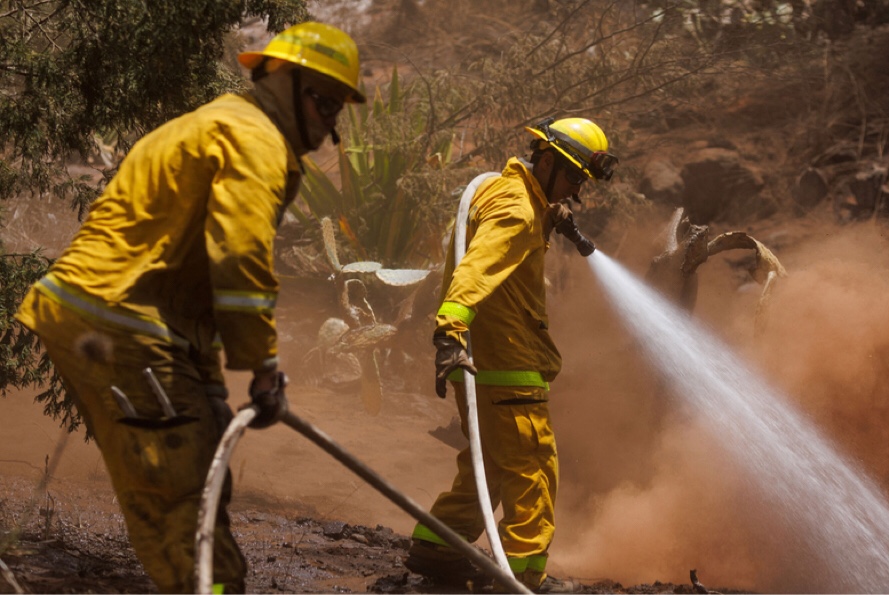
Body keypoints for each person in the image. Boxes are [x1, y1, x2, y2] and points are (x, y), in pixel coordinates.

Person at [15, 22, 365, 593]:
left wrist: (209, 381)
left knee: (200, 467)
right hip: (121, 322)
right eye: (324, 103)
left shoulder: (218, 124)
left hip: (129, 319)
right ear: (281, 81)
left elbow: (188, 271)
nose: (329, 126)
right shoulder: (253, 140)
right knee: (179, 498)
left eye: (337, 110)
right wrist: (263, 367)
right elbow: (238, 257)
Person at [403, 117, 618, 592]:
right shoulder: (518, 211)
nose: (574, 190)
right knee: (533, 467)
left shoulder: (502, 192)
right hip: (506, 366)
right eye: (572, 178)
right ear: (545, 161)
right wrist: (451, 331)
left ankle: (438, 546)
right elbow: (477, 269)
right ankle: (522, 575)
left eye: (581, 182)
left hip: (484, 363)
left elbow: (490, 235)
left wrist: (548, 212)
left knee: (493, 465)